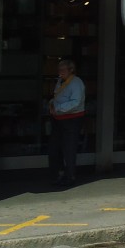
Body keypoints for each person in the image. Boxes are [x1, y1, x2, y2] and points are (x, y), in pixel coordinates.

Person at [48, 58, 85, 186]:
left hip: (71, 119)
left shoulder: (76, 83)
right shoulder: (60, 81)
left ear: (71, 70)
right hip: (58, 119)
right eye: (59, 69)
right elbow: (56, 97)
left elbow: (75, 102)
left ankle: (70, 176)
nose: (60, 72)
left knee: (69, 148)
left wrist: (58, 108)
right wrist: (52, 105)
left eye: (63, 69)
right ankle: (58, 173)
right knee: (55, 148)